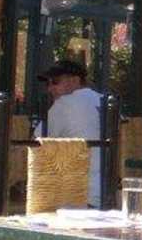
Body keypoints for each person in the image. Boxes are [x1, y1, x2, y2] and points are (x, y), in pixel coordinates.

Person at [38, 59, 105, 206]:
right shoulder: (102, 100)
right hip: (107, 193)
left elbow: (35, 143)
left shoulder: (64, 103)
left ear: (75, 81)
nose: (50, 88)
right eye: (47, 84)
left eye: (55, 82)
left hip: (76, 196)